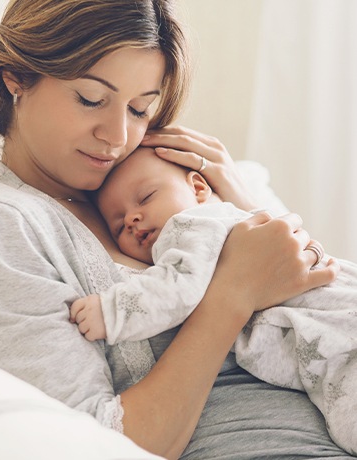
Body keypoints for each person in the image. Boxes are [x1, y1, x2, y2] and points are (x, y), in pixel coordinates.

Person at [0, 1, 349, 458]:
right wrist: (232, 293)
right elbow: (95, 442)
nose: (116, 136)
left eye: (139, 109)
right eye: (91, 99)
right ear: (17, 78)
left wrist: (242, 200)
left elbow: (310, 289)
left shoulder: (145, 178)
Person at [70, 146, 357, 455]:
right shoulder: (233, 224)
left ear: (198, 188)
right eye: (118, 224)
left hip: (333, 328)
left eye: (146, 197)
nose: (132, 218)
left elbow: (177, 289)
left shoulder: (193, 225)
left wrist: (111, 311)